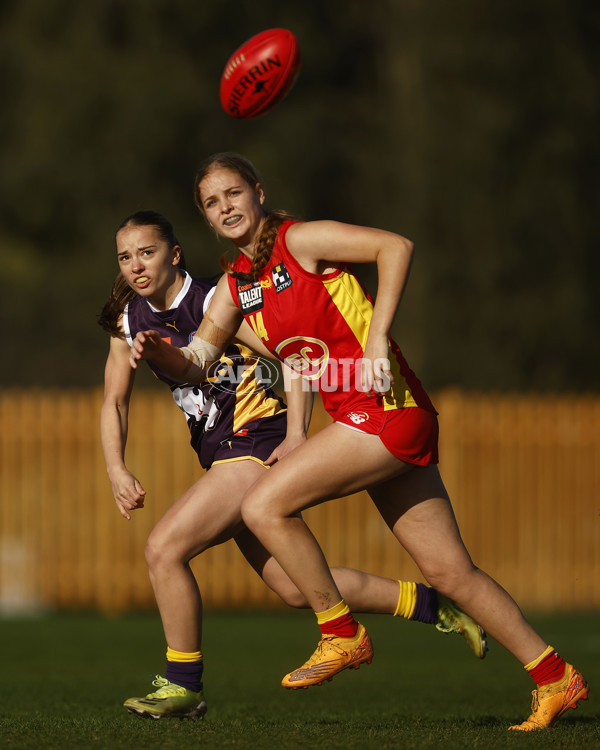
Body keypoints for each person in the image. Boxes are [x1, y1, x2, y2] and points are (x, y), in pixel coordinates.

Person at [128, 156, 589, 732]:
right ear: (205, 216)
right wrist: (161, 352)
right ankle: (555, 677)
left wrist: (376, 340)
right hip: (371, 414)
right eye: (212, 201)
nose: (225, 206)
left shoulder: (301, 239)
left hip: (389, 407)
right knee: (451, 575)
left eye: (233, 192)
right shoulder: (234, 286)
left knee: (263, 504)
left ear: (259, 193)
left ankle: (340, 632)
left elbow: (396, 247)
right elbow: (204, 361)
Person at [100, 209, 486, 721]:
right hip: (219, 451)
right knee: (292, 586)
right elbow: (115, 402)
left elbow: (292, 356)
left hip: (255, 441)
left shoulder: (220, 298)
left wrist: (296, 433)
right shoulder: (128, 316)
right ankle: (433, 605)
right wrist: (116, 469)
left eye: (146, 252)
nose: (135, 265)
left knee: (164, 549)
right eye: (125, 256)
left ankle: (182, 684)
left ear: (174, 254)